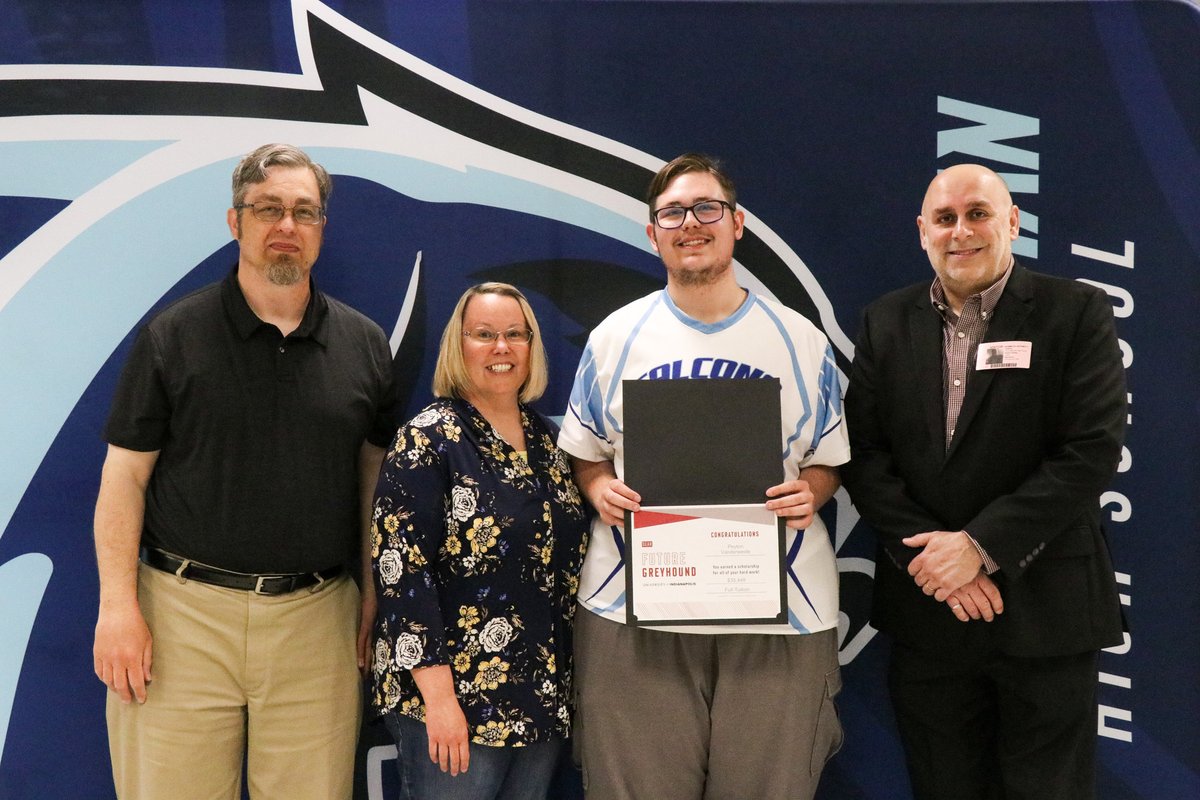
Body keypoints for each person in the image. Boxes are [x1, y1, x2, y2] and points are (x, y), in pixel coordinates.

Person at [92, 143, 397, 798]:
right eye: (268, 209)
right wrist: (117, 606)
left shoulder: (365, 346)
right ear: (236, 222)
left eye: (303, 212)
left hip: (318, 624)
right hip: (181, 619)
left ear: (321, 229)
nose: (286, 226)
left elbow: (375, 483)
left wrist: (374, 593)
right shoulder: (173, 337)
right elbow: (124, 478)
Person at [557, 153, 849, 800]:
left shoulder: (799, 341)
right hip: (632, 607)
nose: (691, 223)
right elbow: (585, 450)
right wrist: (599, 486)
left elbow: (826, 459)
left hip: (781, 613)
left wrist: (813, 491)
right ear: (652, 233)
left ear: (737, 223)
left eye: (707, 208)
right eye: (673, 213)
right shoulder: (615, 338)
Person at [842, 163, 1126, 800]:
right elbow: (864, 454)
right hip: (929, 616)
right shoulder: (885, 321)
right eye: (945, 219)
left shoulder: (1075, 311)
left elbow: (1089, 452)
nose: (960, 232)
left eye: (978, 214)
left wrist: (979, 548)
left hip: (1046, 612)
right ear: (922, 232)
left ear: (1013, 223)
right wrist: (936, 562)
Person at [369, 282, 589, 800]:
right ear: (457, 345)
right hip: (452, 704)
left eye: (515, 334)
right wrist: (440, 700)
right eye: (484, 334)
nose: (501, 348)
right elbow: (402, 573)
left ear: (532, 347)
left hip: (538, 698)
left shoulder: (548, 442)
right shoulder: (429, 438)